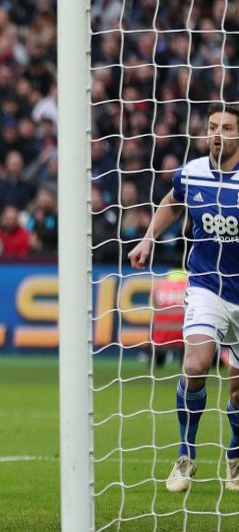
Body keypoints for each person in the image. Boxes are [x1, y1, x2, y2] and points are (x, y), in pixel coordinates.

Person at [128, 103, 239, 493]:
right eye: (212, 126)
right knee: (195, 366)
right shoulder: (191, 172)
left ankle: (236, 455)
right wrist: (148, 238)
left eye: (226, 127)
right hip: (207, 285)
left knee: (238, 387)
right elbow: (174, 202)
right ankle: (185, 455)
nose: (217, 134)